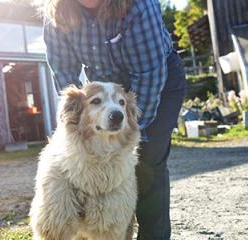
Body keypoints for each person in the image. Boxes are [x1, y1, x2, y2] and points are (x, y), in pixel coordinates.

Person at [39, 0, 186, 238]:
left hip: (158, 82)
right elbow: (64, 70)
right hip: (105, 89)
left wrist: (131, 132)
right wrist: (74, 117)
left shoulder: (139, 6)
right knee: (94, 158)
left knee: (146, 161)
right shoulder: (58, 12)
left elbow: (149, 74)